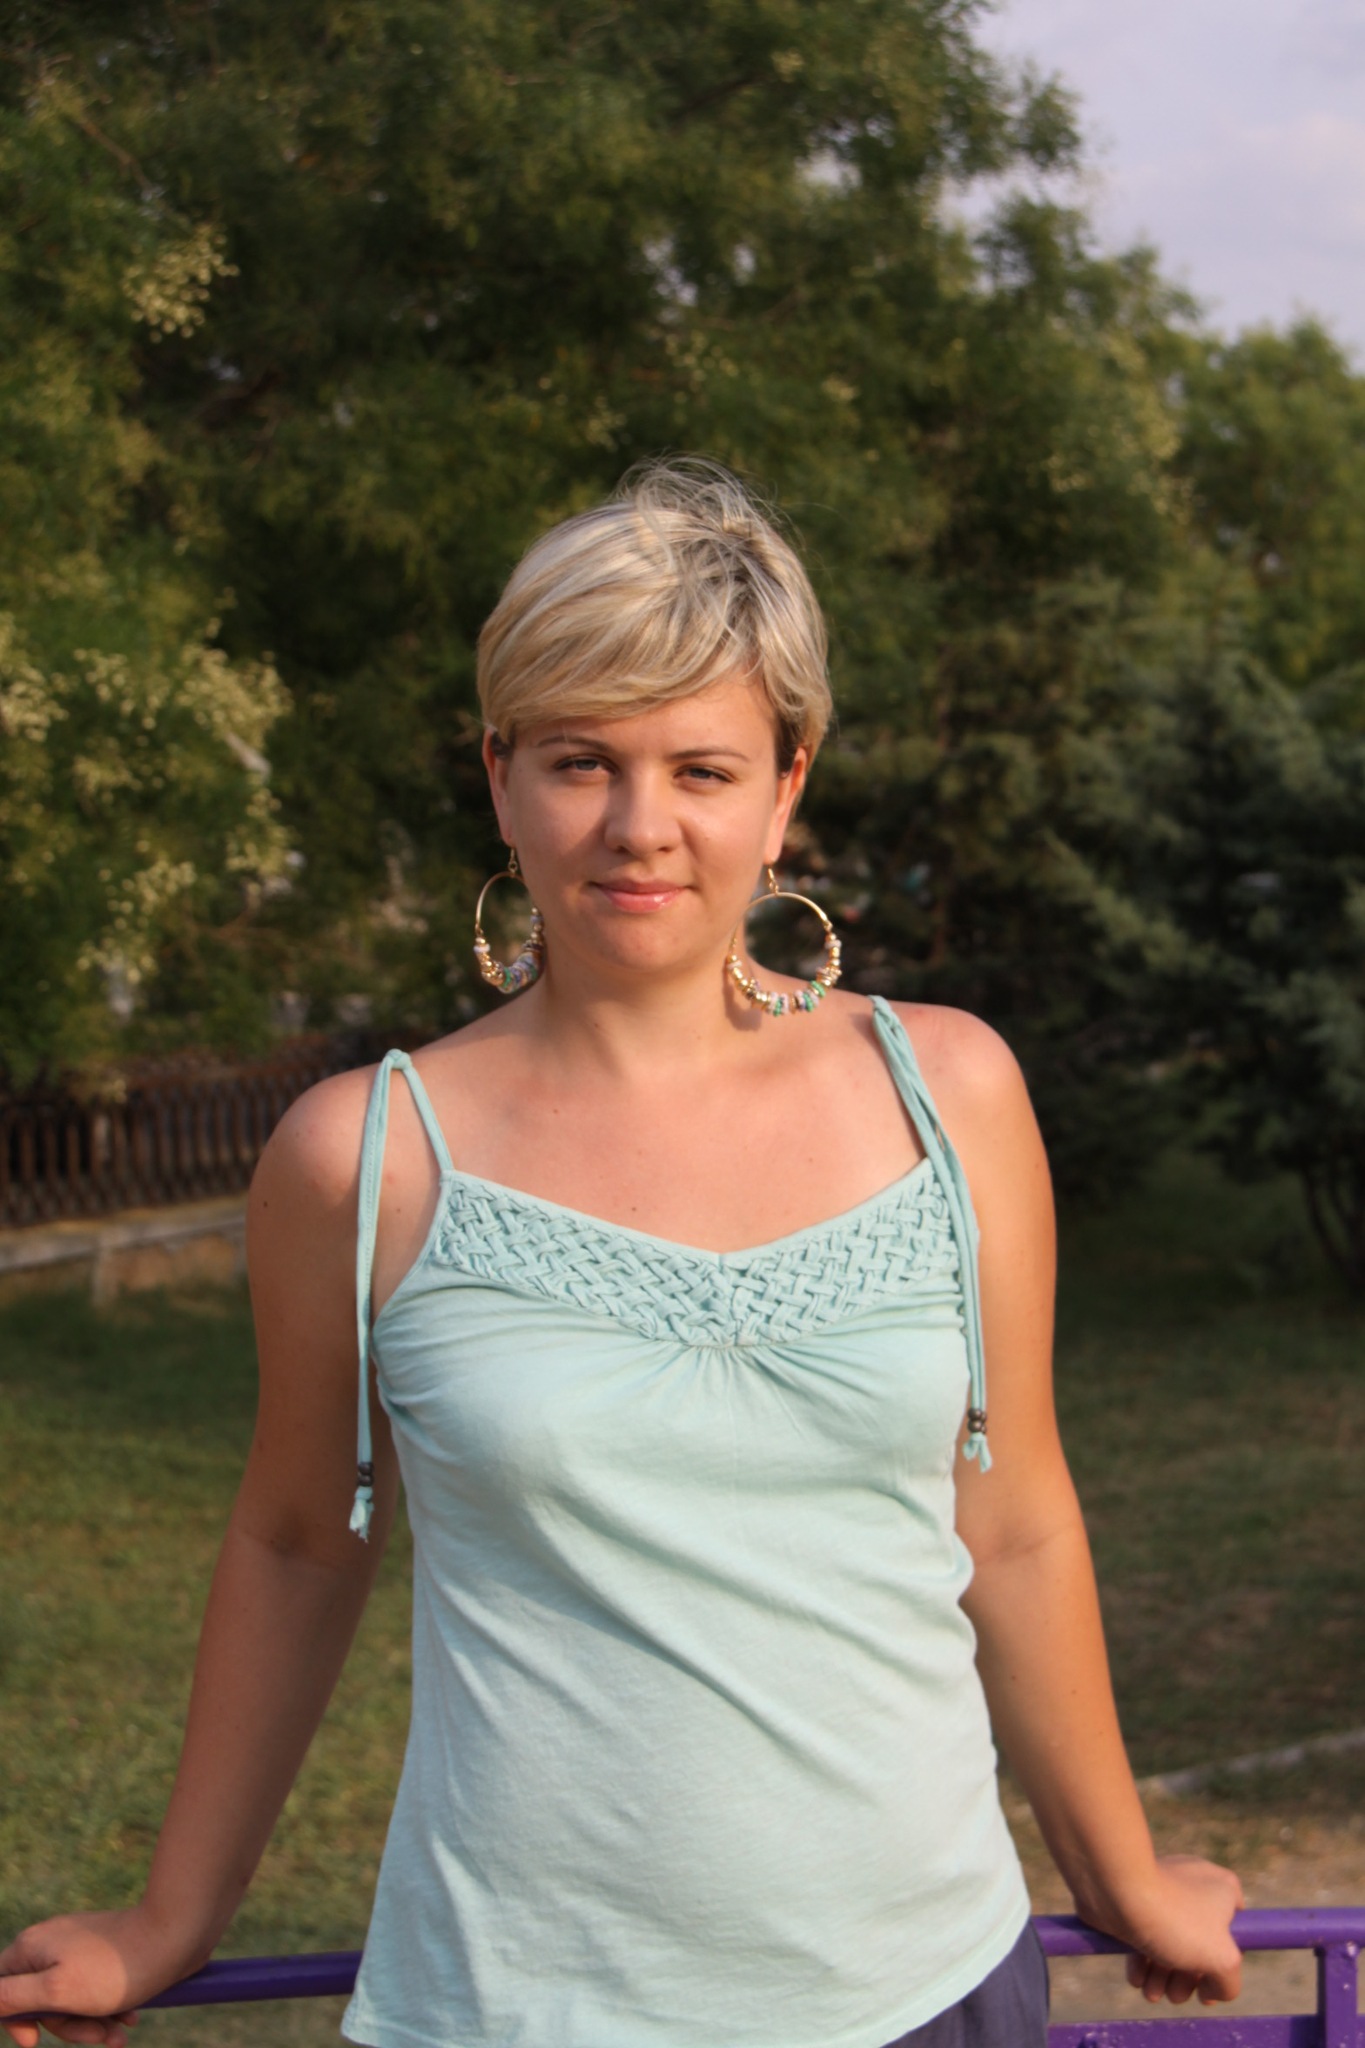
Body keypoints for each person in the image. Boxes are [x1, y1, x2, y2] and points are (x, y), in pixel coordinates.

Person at [0, 461, 1243, 2048]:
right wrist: (172, 1917)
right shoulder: (362, 1160)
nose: (638, 826)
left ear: (784, 788)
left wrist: (1119, 1869)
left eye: (700, 769)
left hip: (927, 1990)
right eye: (580, 760)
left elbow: (1008, 1520)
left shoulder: (949, 1094)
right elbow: (301, 1542)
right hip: (519, 2011)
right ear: (499, 774)